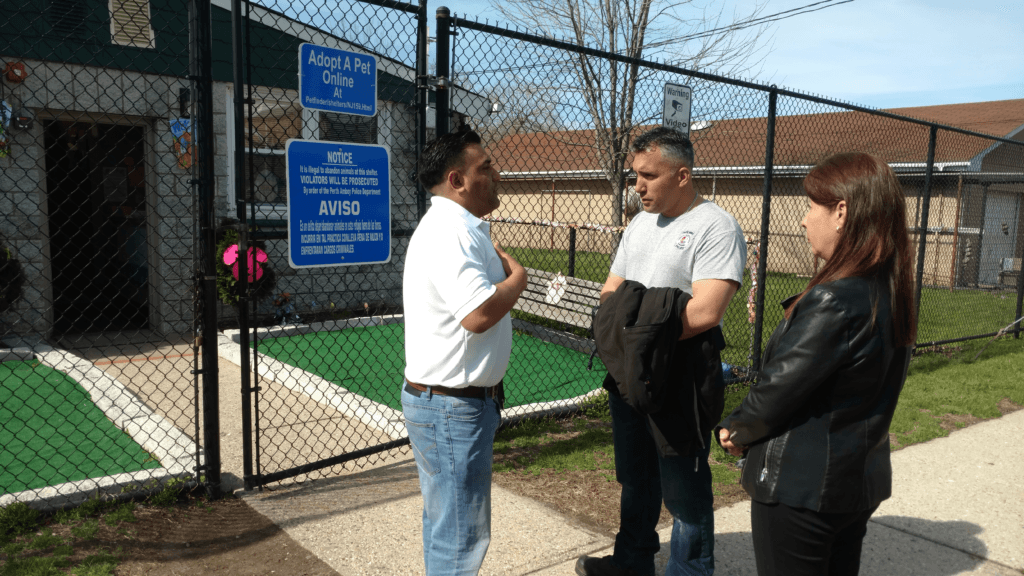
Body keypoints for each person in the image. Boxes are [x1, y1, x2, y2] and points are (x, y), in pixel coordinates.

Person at [717, 151, 917, 576]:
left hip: (802, 489)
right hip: (856, 484)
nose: (805, 220)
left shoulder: (834, 301)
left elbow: (778, 389)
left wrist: (735, 430)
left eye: (812, 206)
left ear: (841, 212)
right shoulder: (889, 292)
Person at [578, 127, 746, 576]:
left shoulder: (716, 226)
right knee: (635, 477)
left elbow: (706, 311)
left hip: (680, 371)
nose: (638, 187)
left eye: (648, 176)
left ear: (683, 175)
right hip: (627, 370)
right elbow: (610, 291)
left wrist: (636, 330)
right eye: (635, 176)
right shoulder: (638, 224)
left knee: (683, 487)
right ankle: (632, 563)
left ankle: (689, 571)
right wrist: (637, 335)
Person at [402, 128, 527, 576]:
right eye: (486, 167)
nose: (497, 174)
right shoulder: (450, 231)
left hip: (451, 403)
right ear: (457, 180)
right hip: (452, 407)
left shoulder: (459, 228)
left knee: (448, 526)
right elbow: (477, 313)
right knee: (460, 537)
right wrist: (518, 279)